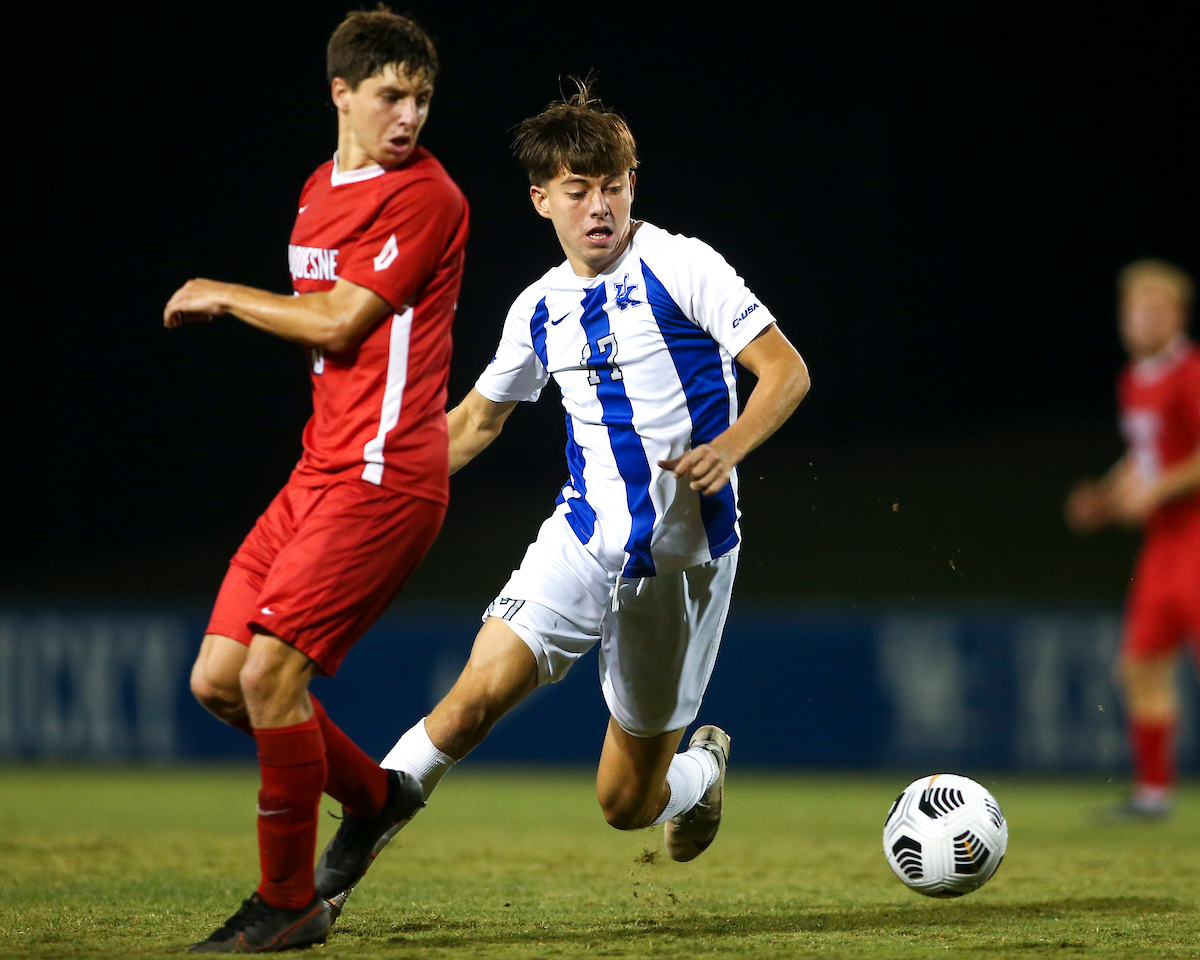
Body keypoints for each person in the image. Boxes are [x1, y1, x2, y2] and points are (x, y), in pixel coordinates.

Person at [312, 79, 810, 919]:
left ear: (631, 185)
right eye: (578, 191)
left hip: (676, 567)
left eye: (613, 185)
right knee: (469, 703)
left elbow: (786, 370)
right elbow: (474, 423)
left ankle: (696, 772)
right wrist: (370, 477)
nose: (599, 207)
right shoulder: (538, 308)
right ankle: (322, 887)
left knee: (624, 804)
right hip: (577, 543)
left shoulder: (682, 265)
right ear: (542, 199)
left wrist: (728, 448)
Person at [163, 8, 468, 952]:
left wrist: (222, 292)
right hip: (319, 468)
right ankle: (375, 800)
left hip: (385, 477)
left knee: (270, 674)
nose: (408, 114)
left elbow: (338, 323)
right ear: (341, 93)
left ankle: (288, 901)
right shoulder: (315, 189)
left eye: (420, 97)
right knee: (219, 680)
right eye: (390, 95)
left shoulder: (429, 197)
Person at [1065, 258, 1200, 819]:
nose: (1141, 319)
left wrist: (1159, 490)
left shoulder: (1190, 372)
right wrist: (1108, 494)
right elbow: (1144, 459)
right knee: (1140, 665)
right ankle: (1153, 794)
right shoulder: (1133, 380)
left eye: (1153, 309)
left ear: (1177, 314)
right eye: (1133, 309)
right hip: (1163, 545)